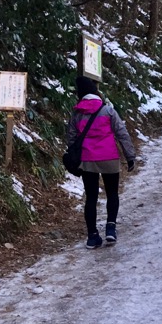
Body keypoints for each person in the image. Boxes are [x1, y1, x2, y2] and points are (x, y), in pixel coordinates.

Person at [66, 75, 136, 249]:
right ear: (96, 92)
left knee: (91, 197)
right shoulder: (108, 110)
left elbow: (71, 138)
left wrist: (77, 156)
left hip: (88, 160)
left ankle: (92, 236)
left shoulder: (77, 112)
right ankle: (110, 229)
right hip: (109, 158)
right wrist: (130, 156)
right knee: (112, 194)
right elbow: (122, 133)